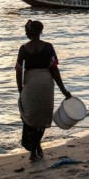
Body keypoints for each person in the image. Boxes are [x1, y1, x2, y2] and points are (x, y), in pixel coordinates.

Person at [15, 20, 71, 161]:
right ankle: (35, 147)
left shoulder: (23, 48)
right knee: (44, 115)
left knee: (29, 115)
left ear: (29, 32)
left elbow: (18, 70)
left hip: (30, 83)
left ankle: (34, 148)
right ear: (41, 31)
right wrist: (63, 89)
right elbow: (54, 69)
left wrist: (20, 89)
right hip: (46, 82)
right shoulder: (48, 47)